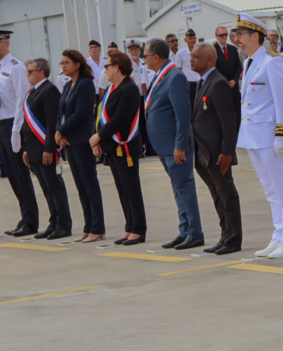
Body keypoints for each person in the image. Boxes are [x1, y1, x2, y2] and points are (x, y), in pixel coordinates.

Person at [233, 13, 283, 259]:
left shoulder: (272, 61)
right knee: (270, 190)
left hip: (269, 135)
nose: (237, 38)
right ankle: (278, 236)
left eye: (241, 34)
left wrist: (282, 134)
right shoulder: (248, 62)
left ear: (255, 36)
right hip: (252, 135)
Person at [143, 38, 204, 250]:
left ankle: (195, 232)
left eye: (146, 55)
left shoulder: (175, 76)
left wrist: (180, 145)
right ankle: (185, 229)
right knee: (178, 188)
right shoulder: (161, 75)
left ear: (156, 57)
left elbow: (182, 115)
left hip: (175, 145)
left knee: (185, 187)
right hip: (164, 145)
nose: (144, 59)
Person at [190, 42, 243, 255]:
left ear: (209, 60)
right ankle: (225, 235)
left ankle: (233, 239)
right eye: (191, 55)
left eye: (196, 56)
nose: (191, 59)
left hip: (217, 152)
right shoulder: (203, 82)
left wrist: (227, 152)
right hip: (204, 151)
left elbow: (228, 122)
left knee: (226, 194)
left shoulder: (218, 83)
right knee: (217, 195)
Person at [90, 51, 147, 246]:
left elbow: (120, 118)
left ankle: (139, 229)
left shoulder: (129, 88)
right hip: (111, 146)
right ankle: (129, 225)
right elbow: (100, 114)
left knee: (131, 187)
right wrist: (99, 141)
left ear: (117, 67)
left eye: (107, 66)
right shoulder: (111, 89)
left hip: (125, 145)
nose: (104, 70)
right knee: (122, 188)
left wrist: (98, 136)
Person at [0, 29, 39, 238]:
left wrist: (17, 131)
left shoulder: (16, 67)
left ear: (6, 42)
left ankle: (31, 220)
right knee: (12, 175)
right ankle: (25, 216)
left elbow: (21, 101)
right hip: (0, 124)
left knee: (21, 174)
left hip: (12, 125)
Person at [55, 49, 105, 243]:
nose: (63, 66)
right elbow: (61, 112)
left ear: (77, 64)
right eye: (61, 63)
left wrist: (61, 131)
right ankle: (88, 225)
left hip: (81, 139)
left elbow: (82, 113)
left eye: (66, 62)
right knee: (80, 185)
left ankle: (98, 227)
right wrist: (60, 130)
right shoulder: (67, 86)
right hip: (69, 140)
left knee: (89, 183)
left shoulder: (85, 85)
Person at [20, 58, 72, 240]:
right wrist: (26, 149)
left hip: (45, 149)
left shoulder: (49, 90)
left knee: (55, 186)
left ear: (41, 72)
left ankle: (64, 224)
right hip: (34, 149)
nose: (27, 74)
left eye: (30, 71)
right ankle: (54, 221)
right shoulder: (33, 91)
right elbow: (27, 124)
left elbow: (52, 123)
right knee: (46, 188)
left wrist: (50, 147)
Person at [177, 28, 200, 106]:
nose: (192, 40)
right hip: (189, 84)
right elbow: (178, 71)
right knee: (191, 106)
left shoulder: (200, 51)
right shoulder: (180, 54)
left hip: (200, 82)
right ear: (185, 40)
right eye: (190, 38)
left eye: (193, 38)